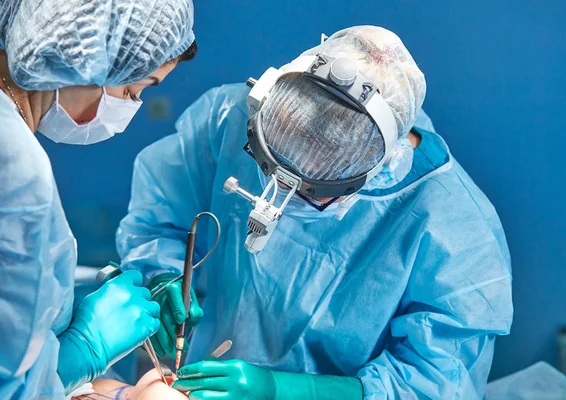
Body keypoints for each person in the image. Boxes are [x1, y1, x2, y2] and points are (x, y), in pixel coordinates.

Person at [117, 26, 514, 399]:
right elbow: (158, 215)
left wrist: (292, 390)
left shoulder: (454, 231)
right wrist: (162, 277)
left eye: (311, 190)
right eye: (269, 169)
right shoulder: (233, 120)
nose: (277, 202)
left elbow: (436, 382)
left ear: (377, 169)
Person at [0, 0, 198, 398]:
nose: (128, 108)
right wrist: (86, 346)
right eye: (131, 89)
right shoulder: (16, 169)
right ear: (82, 59)